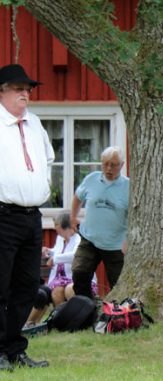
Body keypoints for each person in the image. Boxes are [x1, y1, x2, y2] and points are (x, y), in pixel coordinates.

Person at [0, 63, 53, 370]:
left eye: (28, 89)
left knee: (27, 285)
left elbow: (47, 157)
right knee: (0, 285)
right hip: (3, 214)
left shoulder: (33, 123)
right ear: (2, 92)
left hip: (32, 216)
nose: (25, 93)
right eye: (18, 88)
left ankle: (14, 348)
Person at [70, 146, 129, 299]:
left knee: (118, 284)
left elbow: (135, 216)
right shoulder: (91, 179)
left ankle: (116, 314)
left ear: (121, 165)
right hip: (89, 239)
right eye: (105, 164)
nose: (108, 168)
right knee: (79, 274)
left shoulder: (128, 186)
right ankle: (88, 309)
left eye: (114, 165)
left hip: (115, 244)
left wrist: (128, 240)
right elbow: (78, 197)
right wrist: (73, 218)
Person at [25, 212, 97, 326]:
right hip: (60, 280)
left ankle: (79, 321)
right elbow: (58, 251)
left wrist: (55, 259)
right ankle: (62, 322)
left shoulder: (79, 239)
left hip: (76, 279)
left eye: (57, 226)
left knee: (69, 289)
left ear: (66, 227)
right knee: (56, 291)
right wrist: (48, 251)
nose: (55, 229)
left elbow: (75, 255)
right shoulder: (60, 239)